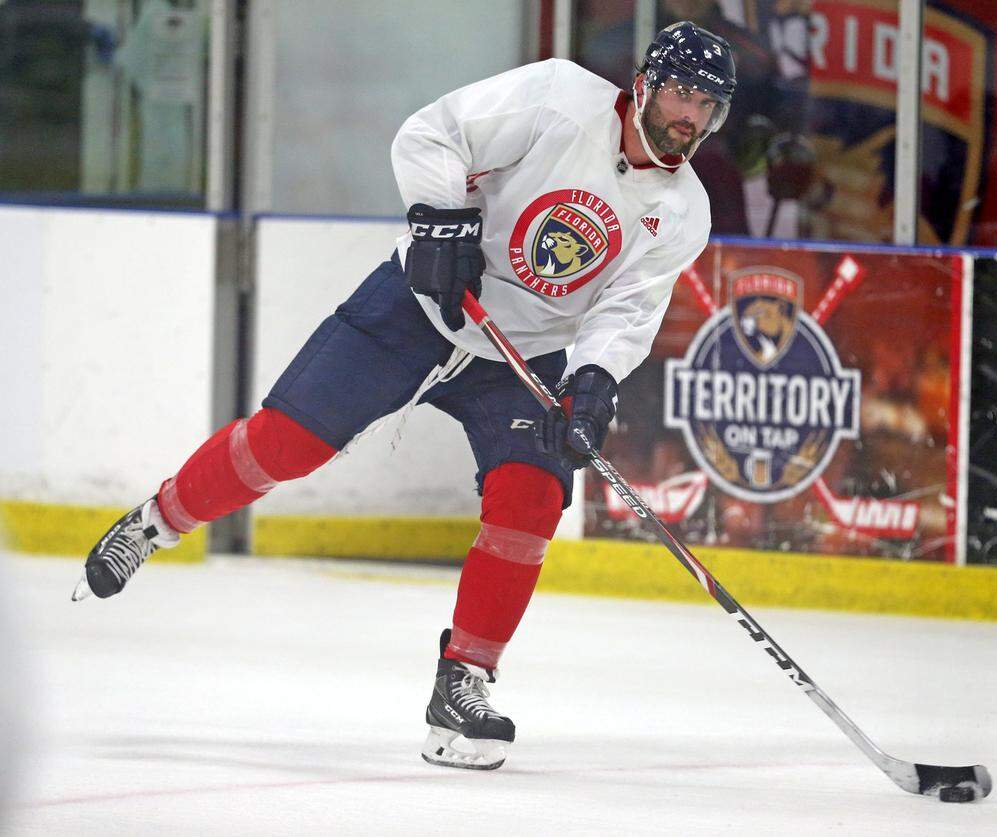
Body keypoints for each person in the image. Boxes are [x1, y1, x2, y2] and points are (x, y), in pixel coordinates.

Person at [72, 21, 736, 771]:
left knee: (531, 497)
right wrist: (440, 223)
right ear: (644, 84)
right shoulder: (558, 97)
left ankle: (463, 685)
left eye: (706, 105)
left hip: (522, 351)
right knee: (286, 443)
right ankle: (156, 521)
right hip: (422, 305)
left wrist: (594, 380)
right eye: (681, 94)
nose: (690, 115)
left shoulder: (685, 210)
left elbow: (628, 310)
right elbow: (433, 135)